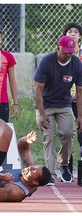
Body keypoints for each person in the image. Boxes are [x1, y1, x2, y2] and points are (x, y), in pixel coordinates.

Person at [33, 35, 82, 186]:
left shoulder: (76, 64)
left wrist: (80, 116)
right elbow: (38, 89)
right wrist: (41, 114)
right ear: (57, 47)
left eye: (71, 52)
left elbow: (80, 92)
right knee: (49, 136)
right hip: (45, 104)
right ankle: (50, 173)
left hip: (64, 104)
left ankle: (64, 164)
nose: (68, 54)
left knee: (68, 132)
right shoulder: (47, 61)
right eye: (65, 51)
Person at [62, 23, 82, 176]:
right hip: (66, 100)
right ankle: (66, 164)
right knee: (67, 133)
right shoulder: (62, 54)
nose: (73, 34)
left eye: (76, 32)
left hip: (80, 100)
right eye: (70, 32)